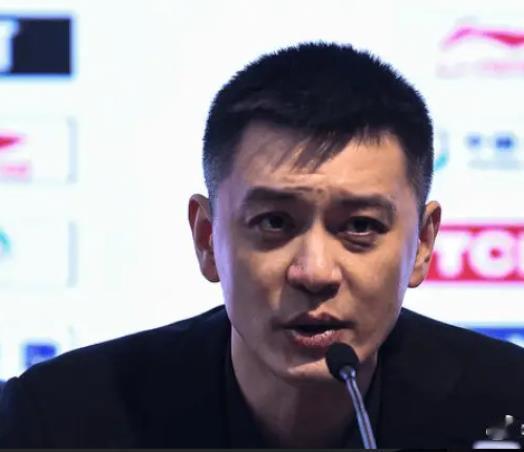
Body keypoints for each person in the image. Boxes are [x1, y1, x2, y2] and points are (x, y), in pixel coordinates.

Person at [0, 42, 523, 449]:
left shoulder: (508, 405)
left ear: (423, 244)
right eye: (274, 222)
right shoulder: (58, 419)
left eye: (360, 226)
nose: (315, 272)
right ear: (208, 238)